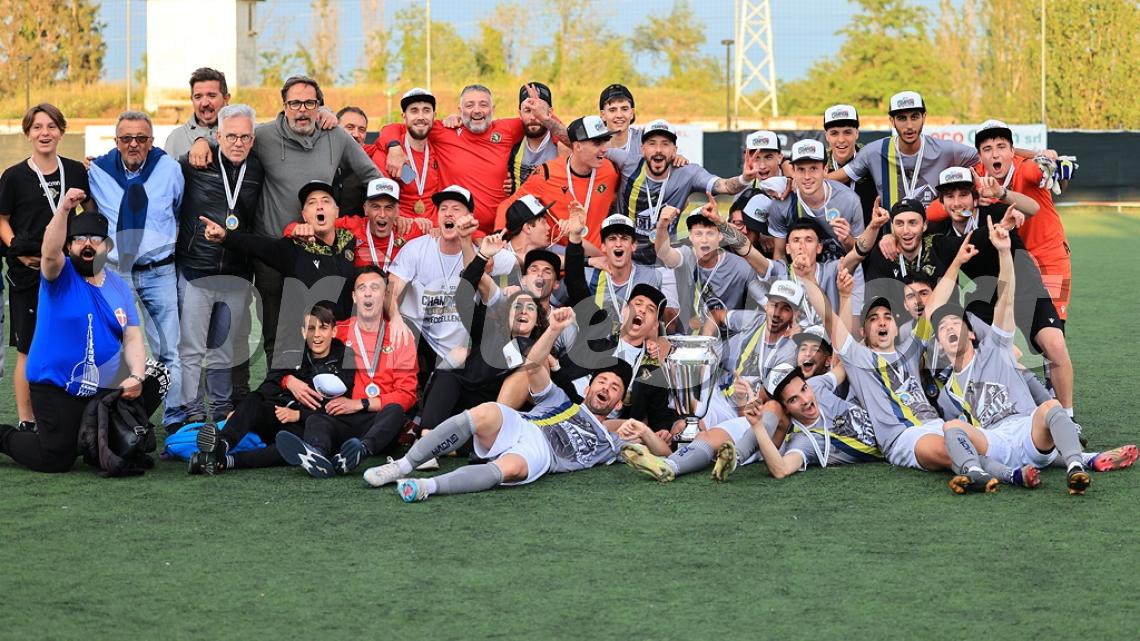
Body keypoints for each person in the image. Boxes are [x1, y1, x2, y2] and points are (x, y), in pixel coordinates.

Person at [362, 307, 672, 502]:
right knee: (487, 412)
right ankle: (402, 466)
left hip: (543, 453)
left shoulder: (613, 439)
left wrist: (645, 431)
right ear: (589, 387)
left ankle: (426, 487)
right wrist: (553, 329)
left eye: (615, 387)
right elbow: (533, 366)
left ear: (618, 403)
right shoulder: (562, 400)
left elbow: (665, 454)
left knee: (511, 469)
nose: (606, 387)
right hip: (522, 425)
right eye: (602, 381)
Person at [926, 219, 1136, 493]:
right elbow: (932, 311)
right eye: (943, 329)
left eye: (956, 323)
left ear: (973, 334)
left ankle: (1076, 466)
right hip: (995, 441)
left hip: (1028, 431)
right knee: (952, 429)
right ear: (940, 344)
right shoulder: (947, 393)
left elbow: (1006, 301)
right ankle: (988, 475)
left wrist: (1004, 252)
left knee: (1050, 407)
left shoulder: (996, 349)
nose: (950, 328)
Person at [189, 75, 378, 369]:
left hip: (318, 252)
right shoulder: (264, 135)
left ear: (320, 106)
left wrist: (389, 212)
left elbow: (372, 175)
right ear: (284, 105)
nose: (302, 110)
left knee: (324, 326)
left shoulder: (336, 136)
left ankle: (322, 382)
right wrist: (202, 140)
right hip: (272, 250)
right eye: (295, 103)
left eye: (310, 103)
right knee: (275, 330)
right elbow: (231, 136)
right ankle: (277, 386)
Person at [0, 190, 166, 472]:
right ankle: (4, 437)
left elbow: (132, 336)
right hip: (56, 386)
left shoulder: (118, 286)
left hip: (102, 386)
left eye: (95, 239)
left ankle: (101, 441)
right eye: (78, 239)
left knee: (158, 376)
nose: (87, 244)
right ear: (68, 247)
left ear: (106, 247)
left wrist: (136, 377)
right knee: (57, 459)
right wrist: (64, 209)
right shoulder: (58, 274)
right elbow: (49, 251)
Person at [802, 269, 1006, 494]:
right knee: (948, 449)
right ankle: (990, 473)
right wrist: (807, 279)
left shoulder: (910, 350)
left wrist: (958, 261)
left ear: (895, 326)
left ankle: (1007, 474)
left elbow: (932, 306)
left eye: (887, 317)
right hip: (902, 436)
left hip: (935, 423)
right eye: (873, 319)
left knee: (976, 444)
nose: (882, 322)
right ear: (863, 331)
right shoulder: (857, 358)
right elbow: (829, 318)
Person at [925, 166, 1076, 419]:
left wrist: (1004, 199)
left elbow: (1033, 207)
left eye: (963, 194)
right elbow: (961, 247)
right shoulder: (941, 235)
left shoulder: (996, 211)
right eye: (949, 196)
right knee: (998, 354)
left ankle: (1069, 417)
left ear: (975, 197)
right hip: (986, 299)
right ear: (941, 201)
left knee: (1055, 345)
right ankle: (1012, 411)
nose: (957, 202)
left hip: (1025, 289)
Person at [88, 110, 185, 433]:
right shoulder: (98, 171)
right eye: (126, 138)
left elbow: (178, 209)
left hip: (159, 270)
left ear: (151, 141)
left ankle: (174, 419)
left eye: (141, 138)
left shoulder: (169, 169)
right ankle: (119, 420)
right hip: (116, 272)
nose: (133, 144)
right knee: (114, 349)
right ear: (116, 141)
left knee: (168, 349)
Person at [0, 103, 90, 432]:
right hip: (27, 274)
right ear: (27, 133)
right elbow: (2, 220)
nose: (44, 133)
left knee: (69, 344)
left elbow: (91, 213)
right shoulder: (13, 176)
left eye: (51, 126)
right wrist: (17, 249)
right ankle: (27, 421)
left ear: (62, 132)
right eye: (37, 127)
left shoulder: (76, 171)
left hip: (67, 274)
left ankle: (66, 417)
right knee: (28, 348)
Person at [199, 180, 358, 361]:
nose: (319, 206)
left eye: (326, 201)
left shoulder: (352, 242)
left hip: (350, 344)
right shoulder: (293, 249)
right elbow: (257, 245)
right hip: (311, 349)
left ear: (337, 211)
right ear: (304, 215)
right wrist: (225, 236)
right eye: (312, 203)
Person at [189, 302, 355, 475]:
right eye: (311, 328)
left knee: (293, 448)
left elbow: (341, 405)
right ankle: (222, 446)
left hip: (308, 425)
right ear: (303, 332)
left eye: (323, 328)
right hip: (278, 414)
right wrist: (286, 380)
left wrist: (299, 414)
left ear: (334, 331)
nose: (317, 335)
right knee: (253, 400)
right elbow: (269, 384)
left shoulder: (345, 358)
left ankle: (222, 461)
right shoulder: (293, 352)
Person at [380, 84, 567, 233]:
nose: (477, 110)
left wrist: (542, 112)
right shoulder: (443, 130)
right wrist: (394, 147)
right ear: (460, 109)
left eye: (483, 105)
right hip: (457, 231)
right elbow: (393, 128)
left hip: (500, 231)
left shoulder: (506, 129)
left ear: (493, 109)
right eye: (469, 105)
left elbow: (562, 133)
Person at [176, 104, 262, 424]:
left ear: (253, 139)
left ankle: (222, 410)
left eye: (245, 137)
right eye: (231, 136)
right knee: (192, 349)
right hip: (196, 271)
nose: (238, 143)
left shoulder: (258, 167)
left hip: (236, 275)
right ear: (219, 136)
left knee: (223, 350)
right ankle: (192, 413)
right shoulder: (193, 162)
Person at [973, 120, 1075, 331]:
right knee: (1010, 329)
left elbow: (1039, 171)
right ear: (980, 155)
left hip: (1049, 256)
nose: (995, 154)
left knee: (1053, 328)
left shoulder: (1026, 167)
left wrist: (1053, 165)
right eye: (987, 149)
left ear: (1012, 151)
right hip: (1010, 261)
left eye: (1001, 147)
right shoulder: (975, 175)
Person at [619, 119, 756, 266]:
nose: (658, 149)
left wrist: (744, 178)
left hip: (665, 262)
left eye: (665, 144)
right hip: (626, 261)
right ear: (642, 149)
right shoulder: (627, 164)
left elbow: (725, 186)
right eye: (652, 143)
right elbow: (601, 148)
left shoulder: (688, 173)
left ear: (674, 150)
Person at [829, 91, 980, 210]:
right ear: (892, 121)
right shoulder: (874, 152)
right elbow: (836, 178)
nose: (909, 126)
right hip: (890, 237)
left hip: (934, 237)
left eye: (914, 117)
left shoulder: (946, 150)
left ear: (924, 117)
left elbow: (982, 159)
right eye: (902, 118)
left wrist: (980, 189)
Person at [386, 185, 479, 374]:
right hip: (419, 335)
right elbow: (390, 290)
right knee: (401, 329)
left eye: (456, 209)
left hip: (458, 347)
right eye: (443, 209)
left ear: (470, 217)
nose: (448, 213)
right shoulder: (416, 248)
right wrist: (395, 318)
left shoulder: (479, 255)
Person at [495, 115, 623, 248]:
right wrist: (500, 237)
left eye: (605, 141)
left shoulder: (611, 170)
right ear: (578, 146)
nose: (604, 149)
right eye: (597, 143)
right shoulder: (547, 173)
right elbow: (508, 205)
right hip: (560, 253)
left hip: (598, 254)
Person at [744, 363, 882, 479]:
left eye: (804, 389)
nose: (805, 400)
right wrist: (757, 426)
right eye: (793, 399)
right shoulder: (805, 440)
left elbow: (844, 365)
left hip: (883, 414)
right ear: (786, 409)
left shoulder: (815, 385)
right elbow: (781, 470)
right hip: (889, 445)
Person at [285, 177, 428, 271]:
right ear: (365, 209)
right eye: (375, 207)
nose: (382, 214)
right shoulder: (351, 226)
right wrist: (296, 229)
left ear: (398, 211)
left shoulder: (409, 229)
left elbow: (438, 237)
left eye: (389, 208)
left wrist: (432, 229)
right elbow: (319, 223)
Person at [561, 212, 662, 340]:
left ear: (633, 245)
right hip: (598, 344)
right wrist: (575, 237)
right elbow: (573, 281)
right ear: (603, 246)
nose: (618, 244)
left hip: (633, 344)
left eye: (624, 238)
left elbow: (654, 323)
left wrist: (654, 342)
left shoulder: (650, 277)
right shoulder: (590, 276)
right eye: (612, 238)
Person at [767, 139, 865, 261]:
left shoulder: (849, 200)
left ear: (825, 170)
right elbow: (780, 254)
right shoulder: (781, 203)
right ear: (793, 171)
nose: (807, 176)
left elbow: (861, 252)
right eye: (801, 169)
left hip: (840, 268)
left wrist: (846, 239)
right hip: (799, 268)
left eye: (813, 168)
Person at [379, 88, 443, 223]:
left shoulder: (440, 146)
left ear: (434, 115)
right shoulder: (389, 152)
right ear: (404, 116)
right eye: (414, 111)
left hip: (434, 229)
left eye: (426, 110)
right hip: (402, 228)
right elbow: (381, 200)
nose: (421, 117)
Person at [822, 104, 878, 225]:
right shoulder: (818, 164)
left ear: (857, 133)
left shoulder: (873, 160)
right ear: (826, 136)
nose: (841, 140)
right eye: (834, 133)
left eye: (847, 132)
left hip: (870, 234)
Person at [507, 82, 563, 193]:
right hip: (520, 202)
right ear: (520, 114)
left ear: (550, 113)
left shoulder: (562, 145)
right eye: (528, 110)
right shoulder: (512, 144)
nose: (533, 117)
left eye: (539, 110)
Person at [164, 67, 229, 160]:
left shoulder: (247, 132)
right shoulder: (176, 138)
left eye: (211, 96)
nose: (205, 103)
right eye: (198, 97)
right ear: (192, 100)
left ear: (226, 98)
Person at [334, 105, 376, 216]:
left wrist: (393, 146)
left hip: (358, 226)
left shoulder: (374, 158)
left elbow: (409, 180)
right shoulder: (322, 157)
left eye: (362, 130)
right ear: (335, 129)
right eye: (350, 127)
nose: (356, 134)